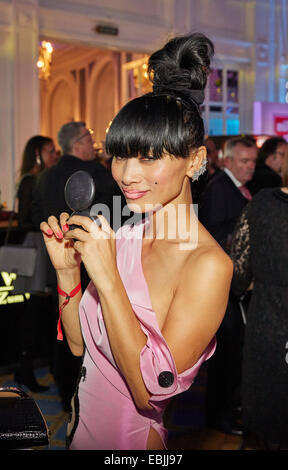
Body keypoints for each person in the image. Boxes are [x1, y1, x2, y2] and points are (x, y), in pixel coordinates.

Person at [39, 33, 233, 451]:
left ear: (195, 160)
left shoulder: (208, 265)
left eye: (149, 157)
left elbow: (148, 393)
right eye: (120, 155)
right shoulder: (124, 234)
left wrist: (107, 278)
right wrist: (67, 271)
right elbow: (78, 345)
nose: (127, 174)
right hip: (79, 431)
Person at [32, 121, 125, 411]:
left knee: (60, 332)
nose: (94, 143)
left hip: (54, 262)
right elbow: (121, 220)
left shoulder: (45, 176)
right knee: (86, 338)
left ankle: (65, 397)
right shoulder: (98, 174)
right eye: (90, 137)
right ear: (78, 143)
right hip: (89, 269)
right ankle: (82, 397)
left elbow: (35, 215)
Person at [229, 147, 288, 449]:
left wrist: (256, 283)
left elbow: (237, 272)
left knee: (266, 426)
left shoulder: (262, 203)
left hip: (266, 324)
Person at [199, 136, 257, 435]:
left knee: (232, 354)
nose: (250, 167)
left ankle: (226, 412)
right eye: (245, 161)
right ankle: (218, 417)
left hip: (233, 283)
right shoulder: (221, 189)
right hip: (222, 285)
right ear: (228, 160)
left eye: (253, 161)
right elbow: (216, 236)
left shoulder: (235, 187)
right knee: (225, 355)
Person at [15, 135, 58, 392]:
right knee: (34, 312)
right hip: (37, 246)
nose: (55, 154)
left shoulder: (42, 179)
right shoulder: (31, 181)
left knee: (43, 312)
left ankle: (34, 367)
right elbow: (25, 220)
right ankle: (25, 369)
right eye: (50, 151)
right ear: (38, 154)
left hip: (44, 246)